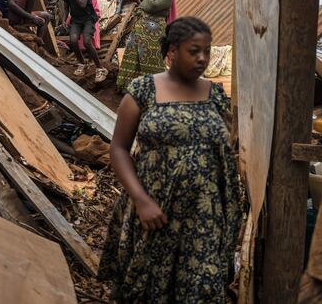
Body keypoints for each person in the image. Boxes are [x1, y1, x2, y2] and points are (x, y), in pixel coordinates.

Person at [99, 17, 242, 302]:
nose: (202, 58)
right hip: (156, 214)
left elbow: (225, 153)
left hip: (204, 217)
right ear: (173, 51)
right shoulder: (144, 90)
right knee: (152, 287)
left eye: (207, 51)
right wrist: (141, 200)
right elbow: (119, 149)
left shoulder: (215, 95)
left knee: (199, 288)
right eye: (194, 51)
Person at [116, 0, 176, 91]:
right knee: (133, 58)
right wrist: (141, 2)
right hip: (139, 31)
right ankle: (130, 88)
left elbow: (150, 7)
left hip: (153, 34)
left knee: (151, 60)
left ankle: (154, 90)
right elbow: (145, 6)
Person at [61, 0, 107, 82]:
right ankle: (82, 63)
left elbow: (82, 4)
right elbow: (66, 7)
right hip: (76, 20)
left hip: (88, 19)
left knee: (87, 41)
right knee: (73, 40)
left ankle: (100, 68)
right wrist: (64, 19)